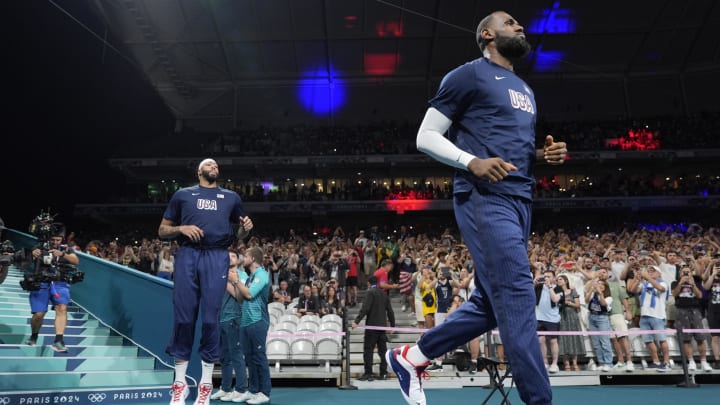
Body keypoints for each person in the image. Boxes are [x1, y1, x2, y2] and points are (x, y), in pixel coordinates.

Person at [386, 10, 567, 405]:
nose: (520, 26)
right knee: (518, 292)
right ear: (487, 34)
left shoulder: (524, 88)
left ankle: (411, 357)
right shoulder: (467, 75)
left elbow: (510, 152)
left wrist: (543, 154)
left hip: (521, 199)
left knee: (491, 302)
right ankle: (541, 400)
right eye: (510, 22)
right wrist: (472, 161)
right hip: (484, 198)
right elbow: (426, 136)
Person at [158, 158, 254, 405]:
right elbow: (162, 231)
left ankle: (205, 384)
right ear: (199, 171)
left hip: (216, 255)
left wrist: (245, 228)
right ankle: (179, 384)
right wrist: (181, 229)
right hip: (188, 254)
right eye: (209, 164)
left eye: (216, 166)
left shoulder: (231, 197)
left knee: (211, 319)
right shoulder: (182, 195)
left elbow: (241, 233)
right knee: (184, 318)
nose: (215, 167)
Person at [25, 228, 79, 352]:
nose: (55, 242)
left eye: (58, 240)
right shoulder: (39, 247)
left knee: (62, 307)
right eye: (53, 240)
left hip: (60, 283)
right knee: (39, 314)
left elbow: (76, 261)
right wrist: (34, 254)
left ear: (62, 239)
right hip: (41, 283)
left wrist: (62, 254)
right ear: (49, 239)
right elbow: (26, 261)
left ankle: (58, 341)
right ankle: (34, 336)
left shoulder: (66, 249)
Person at [210, 249, 252, 402]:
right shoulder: (220, 275)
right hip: (221, 319)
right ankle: (225, 388)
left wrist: (228, 281)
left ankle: (241, 389)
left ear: (238, 260)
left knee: (236, 355)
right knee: (224, 357)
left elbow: (240, 297)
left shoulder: (243, 276)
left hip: (235, 318)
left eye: (233, 256)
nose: (229, 258)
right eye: (227, 256)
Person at [232, 246, 272, 405]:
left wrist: (235, 280)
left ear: (253, 259)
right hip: (245, 321)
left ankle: (265, 392)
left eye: (246, 256)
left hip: (258, 321)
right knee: (249, 357)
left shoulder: (262, 274)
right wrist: (235, 283)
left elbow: (248, 295)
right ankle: (254, 389)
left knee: (259, 357)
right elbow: (240, 299)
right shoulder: (250, 277)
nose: (243, 258)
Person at [352, 275, 396, 381]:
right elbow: (390, 311)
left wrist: (356, 321)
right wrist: (392, 326)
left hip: (371, 327)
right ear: (378, 283)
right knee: (382, 351)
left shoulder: (369, 292)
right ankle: (383, 373)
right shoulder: (384, 294)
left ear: (368, 283)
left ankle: (368, 373)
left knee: (368, 350)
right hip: (382, 328)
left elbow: (365, 308)